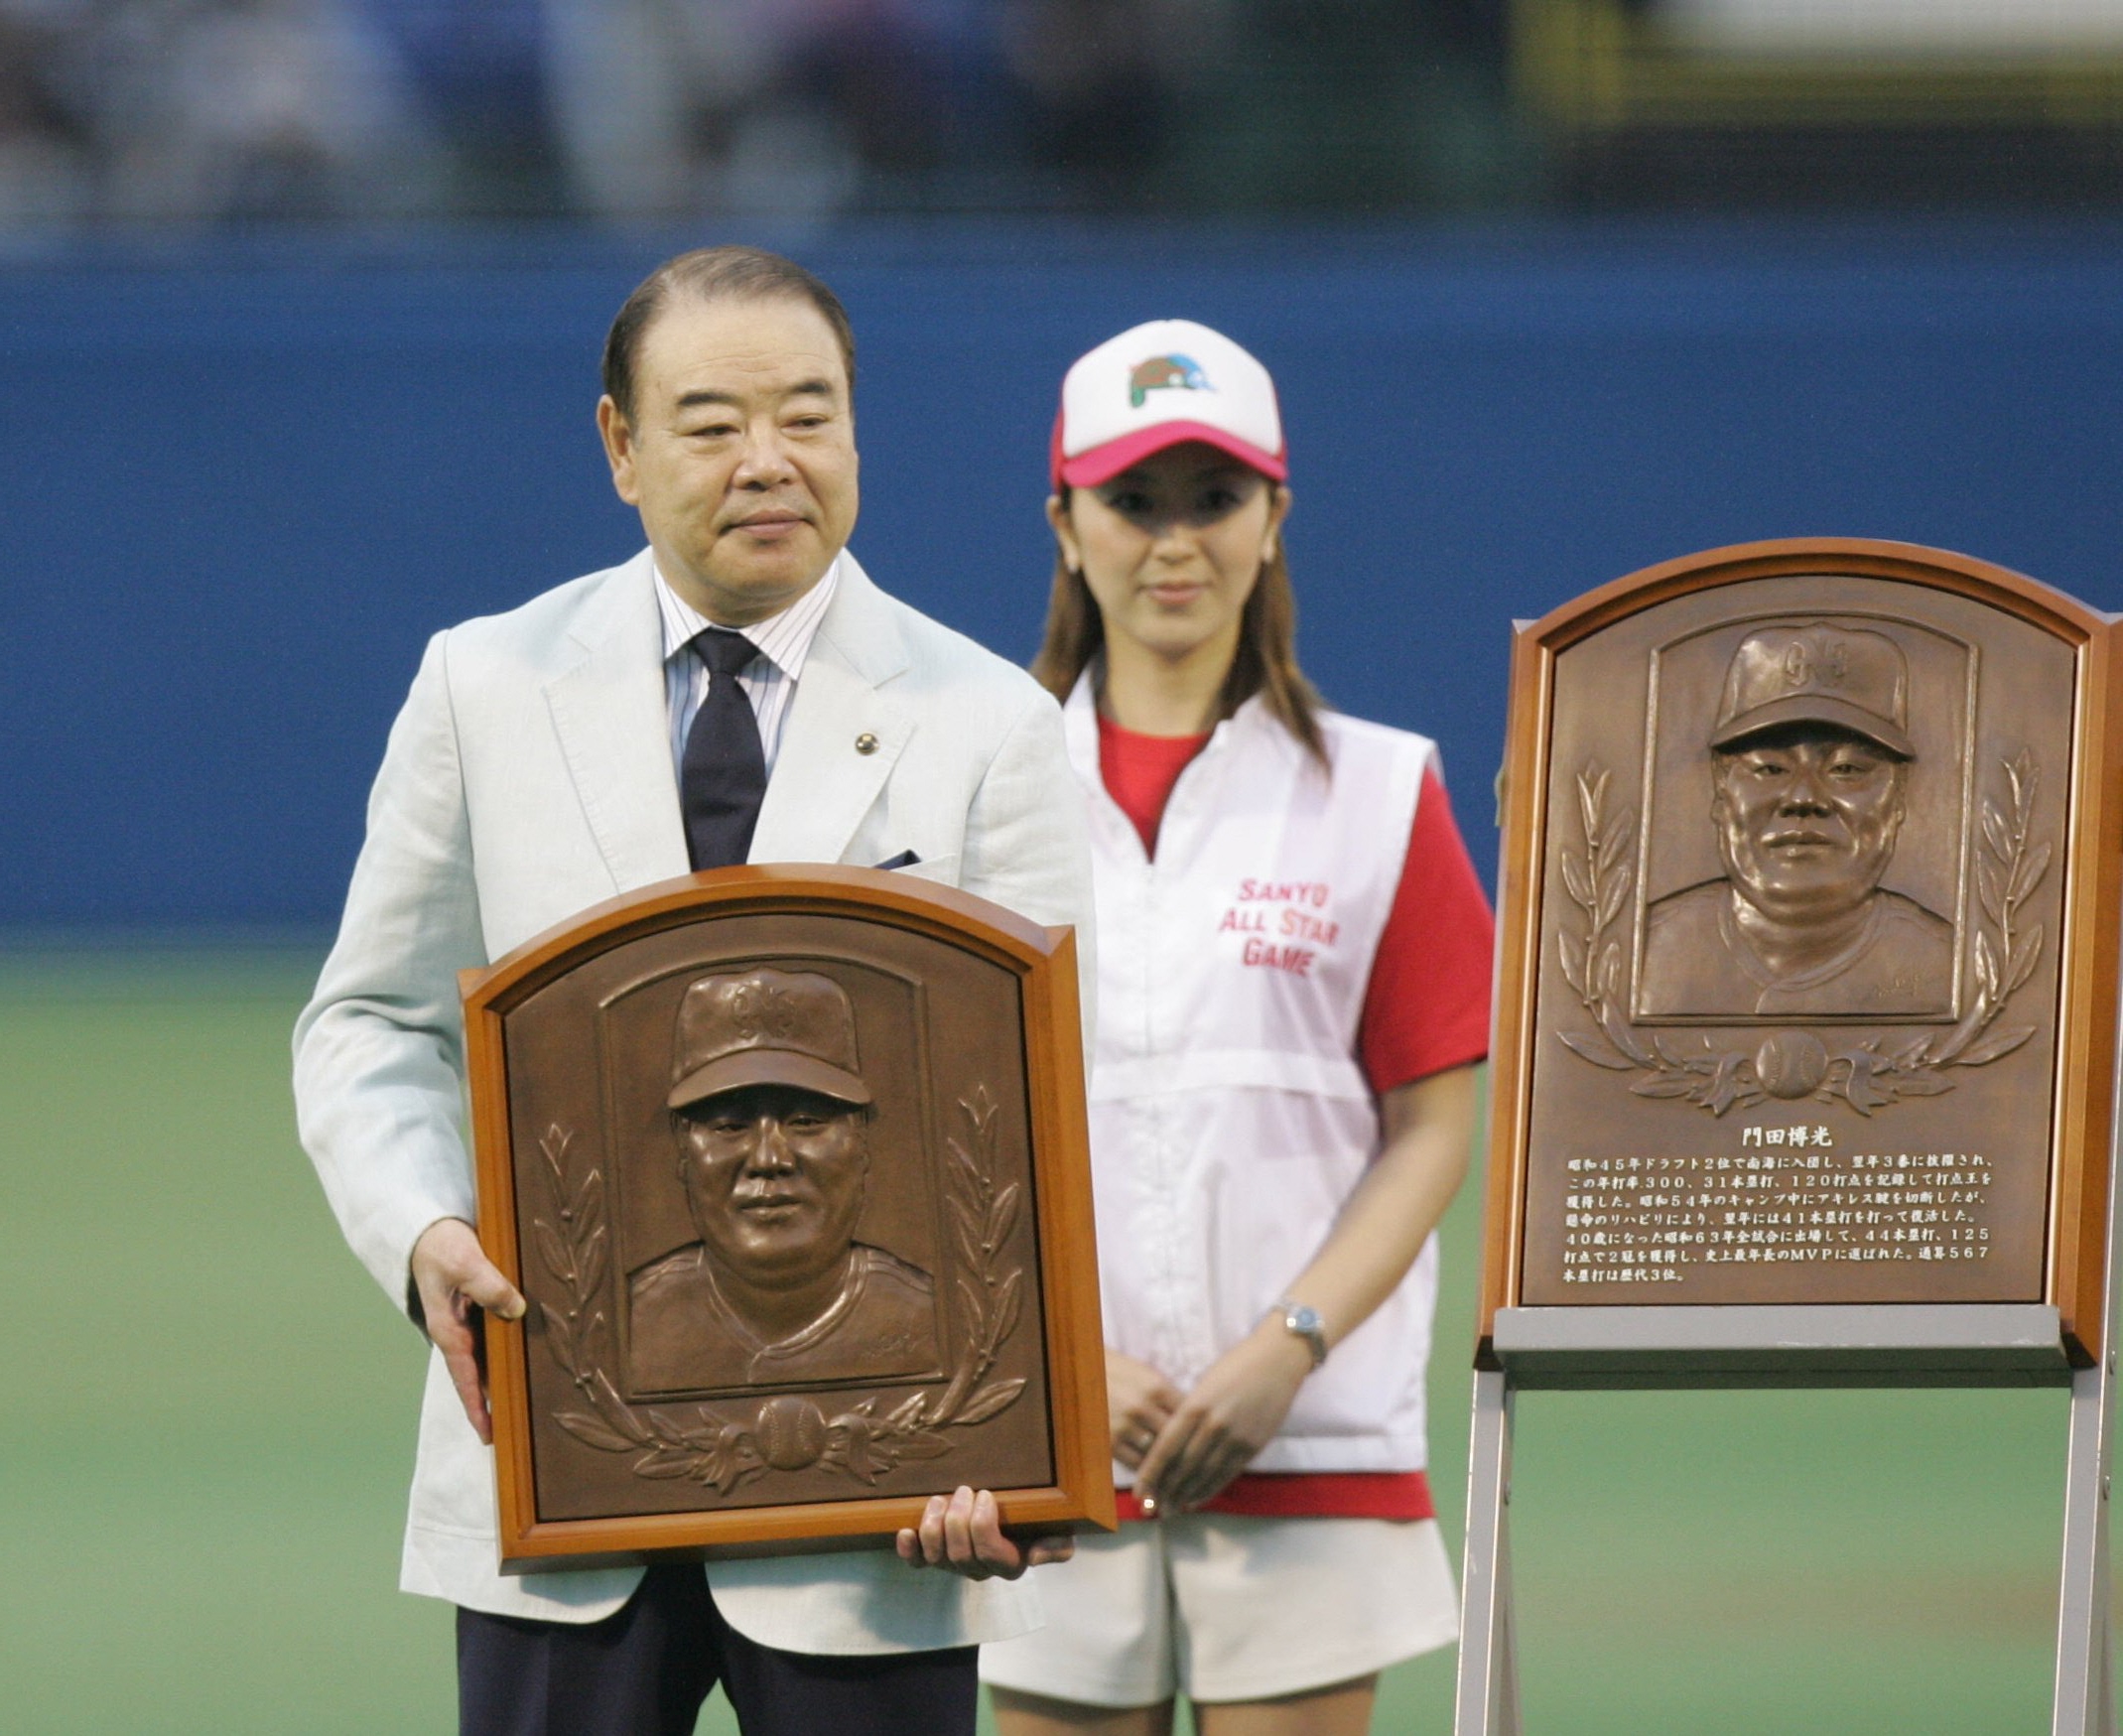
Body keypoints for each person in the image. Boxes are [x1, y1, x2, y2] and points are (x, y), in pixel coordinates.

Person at [292, 244, 1090, 1736]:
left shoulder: (990, 722)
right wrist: (423, 1234)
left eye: (808, 414)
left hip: (882, 1493)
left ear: (858, 429)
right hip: (552, 1473)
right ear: (619, 446)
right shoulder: (481, 686)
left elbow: (1055, 1101)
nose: (767, 461)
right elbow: (369, 1020)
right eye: (713, 423)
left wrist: (1027, 1442)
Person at [978, 319, 1494, 1734]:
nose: (1171, 540)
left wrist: (1288, 1343)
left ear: (1272, 516)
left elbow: (1432, 1126)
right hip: (1044, 1434)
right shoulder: (967, 800)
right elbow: (930, 1139)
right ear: (1063, 522)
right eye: (1130, 500)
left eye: (1211, 498)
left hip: (1310, 1438)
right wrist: (1051, 1356)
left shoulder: (1382, 793)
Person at [627, 967, 939, 1394]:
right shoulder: (619, 1324)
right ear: (683, 1150)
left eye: (807, 1121)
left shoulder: (938, 1318)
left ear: (861, 1142)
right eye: (728, 1126)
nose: (768, 1158)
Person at [1638, 622, 1954, 1020]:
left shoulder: (1957, 971)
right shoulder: (1636, 955)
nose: (1804, 799)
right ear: (1722, 790)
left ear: (1898, 797)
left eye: (1846, 769)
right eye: (1770, 769)